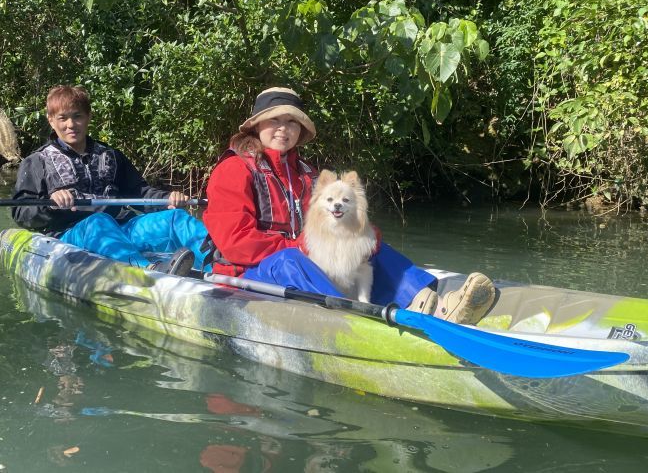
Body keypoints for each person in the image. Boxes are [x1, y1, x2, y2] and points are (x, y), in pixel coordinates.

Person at [203, 87, 496, 324]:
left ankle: (433, 305)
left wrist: (365, 235)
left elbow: (337, 224)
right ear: (256, 125)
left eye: (291, 121)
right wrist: (299, 247)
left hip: (304, 264)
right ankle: (354, 322)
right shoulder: (234, 170)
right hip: (246, 277)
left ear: (300, 130)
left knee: (369, 249)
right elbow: (234, 242)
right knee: (290, 261)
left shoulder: (308, 175)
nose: (283, 128)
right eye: (275, 120)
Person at [11, 85, 207, 275]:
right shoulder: (36, 162)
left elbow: (140, 193)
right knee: (98, 221)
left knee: (175, 219)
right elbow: (21, 212)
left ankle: (222, 266)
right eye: (63, 118)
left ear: (88, 117)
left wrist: (167, 199)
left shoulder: (111, 155)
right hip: (71, 235)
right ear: (51, 120)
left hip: (121, 229)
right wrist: (49, 204)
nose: (70, 125)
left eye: (77, 116)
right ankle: (148, 272)